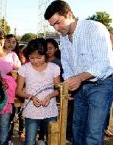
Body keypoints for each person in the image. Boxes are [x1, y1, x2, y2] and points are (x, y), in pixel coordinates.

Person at [44, 1, 113, 144]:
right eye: (52, 26)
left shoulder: (94, 28)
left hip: (101, 86)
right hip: (80, 87)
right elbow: (67, 65)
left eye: (58, 22)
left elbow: (104, 62)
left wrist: (79, 78)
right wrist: (70, 84)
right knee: (77, 129)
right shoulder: (64, 37)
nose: (56, 28)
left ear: (69, 14)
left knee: (93, 132)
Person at [16, 38, 61, 145]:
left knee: (52, 140)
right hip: (31, 111)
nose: (35, 61)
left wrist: (49, 96)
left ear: (46, 54)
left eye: (39, 57)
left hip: (50, 110)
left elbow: (58, 90)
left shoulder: (54, 68)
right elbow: (18, 91)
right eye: (31, 58)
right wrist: (30, 96)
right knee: (30, 141)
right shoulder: (24, 68)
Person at [0, 34, 21, 145]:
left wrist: (9, 78)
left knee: (4, 122)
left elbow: (19, 73)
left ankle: (4, 141)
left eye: (13, 42)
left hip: (7, 93)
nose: (11, 44)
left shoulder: (13, 56)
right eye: (8, 41)